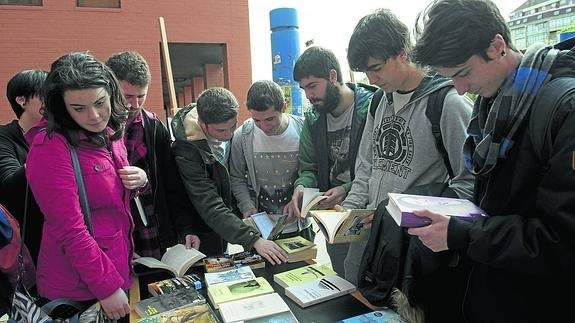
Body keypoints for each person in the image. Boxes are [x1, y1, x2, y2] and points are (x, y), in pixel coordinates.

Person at [410, 0, 575, 321]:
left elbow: (563, 241)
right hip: (495, 292)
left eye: (463, 73)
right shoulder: (497, 102)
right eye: (449, 78)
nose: (459, 90)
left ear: (497, 46)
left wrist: (464, 234)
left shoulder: (564, 110)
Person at [344, 8, 475, 321]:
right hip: (373, 239)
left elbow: (469, 183)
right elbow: (367, 166)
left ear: (402, 53)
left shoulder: (447, 102)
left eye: (376, 68)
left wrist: (411, 214)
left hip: (416, 251)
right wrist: (348, 211)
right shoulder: (378, 101)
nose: (371, 79)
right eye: (365, 72)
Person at [25, 52, 148, 320]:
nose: (94, 115)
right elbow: (70, 230)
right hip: (77, 287)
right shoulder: (50, 147)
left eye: (100, 103)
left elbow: (107, 196)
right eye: (78, 108)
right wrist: (106, 287)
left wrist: (139, 179)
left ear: (111, 94)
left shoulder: (110, 130)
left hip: (116, 267)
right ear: (61, 106)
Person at [171, 87, 288, 264]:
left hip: (225, 227)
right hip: (200, 231)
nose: (229, 134)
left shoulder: (234, 134)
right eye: (221, 131)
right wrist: (252, 239)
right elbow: (208, 202)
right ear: (203, 124)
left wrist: (245, 206)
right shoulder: (186, 151)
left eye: (233, 126)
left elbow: (235, 177)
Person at [288, 46, 377, 276]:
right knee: (343, 282)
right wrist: (302, 186)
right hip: (333, 218)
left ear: (333, 76)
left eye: (312, 86)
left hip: (369, 215)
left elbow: (379, 167)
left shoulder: (374, 106)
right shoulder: (313, 119)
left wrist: (345, 189)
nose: (308, 95)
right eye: (303, 89)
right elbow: (309, 168)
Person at [106, 51, 198, 259]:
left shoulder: (154, 128)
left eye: (142, 96)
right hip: (111, 232)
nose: (135, 104)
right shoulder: (95, 128)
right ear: (110, 88)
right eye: (127, 96)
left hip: (150, 228)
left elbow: (172, 184)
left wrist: (185, 228)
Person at [229, 80, 313, 241]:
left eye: (269, 119)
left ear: (283, 107)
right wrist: (247, 206)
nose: (264, 126)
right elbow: (236, 177)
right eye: (257, 121)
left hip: (299, 225)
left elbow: (313, 171)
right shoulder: (243, 136)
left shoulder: (303, 129)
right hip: (260, 229)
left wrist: (302, 200)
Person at [0, 69, 47, 265]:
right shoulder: (4, 138)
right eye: (45, 94)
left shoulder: (62, 137)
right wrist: (47, 153)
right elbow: (9, 184)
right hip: (25, 247)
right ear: (22, 100)